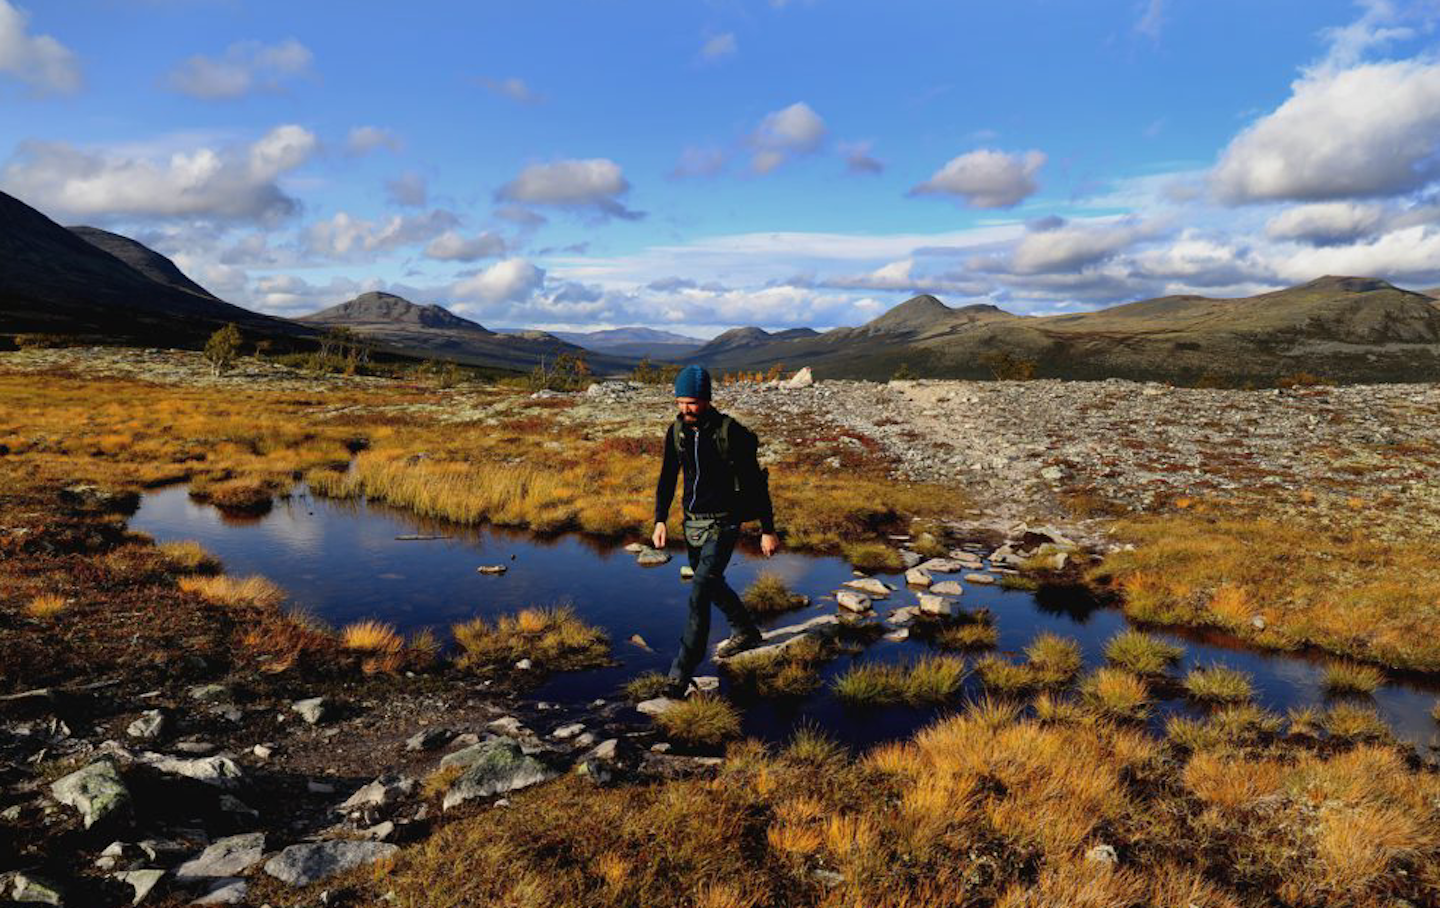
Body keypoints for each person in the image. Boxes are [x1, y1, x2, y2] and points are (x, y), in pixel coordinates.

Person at [653, 364, 779, 698]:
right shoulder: (677, 431)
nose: (684, 409)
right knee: (709, 581)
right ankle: (746, 630)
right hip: (692, 521)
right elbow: (667, 477)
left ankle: (680, 673)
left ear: (706, 399)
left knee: (699, 591)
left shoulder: (730, 432)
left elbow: (755, 484)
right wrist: (660, 519)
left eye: (691, 402)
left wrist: (768, 530)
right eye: (680, 402)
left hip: (724, 523)